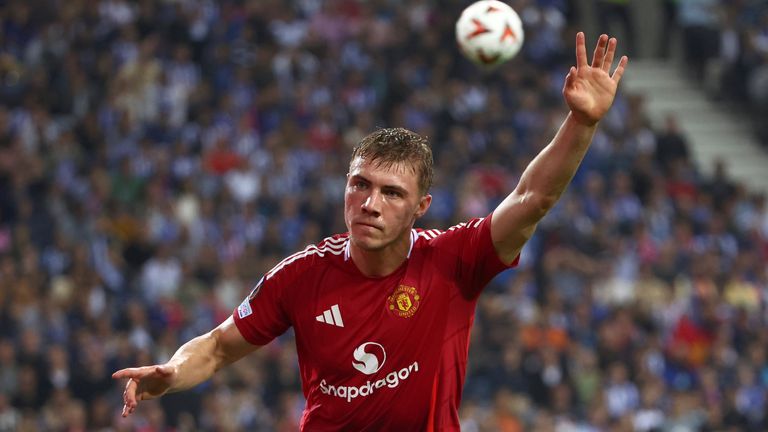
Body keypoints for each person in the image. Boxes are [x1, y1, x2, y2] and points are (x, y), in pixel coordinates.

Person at [113, 32, 628, 430]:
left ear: (421, 206)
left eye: (391, 193)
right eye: (359, 185)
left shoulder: (454, 259)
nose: (369, 204)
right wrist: (173, 373)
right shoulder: (301, 276)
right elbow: (219, 347)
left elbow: (531, 198)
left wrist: (580, 125)